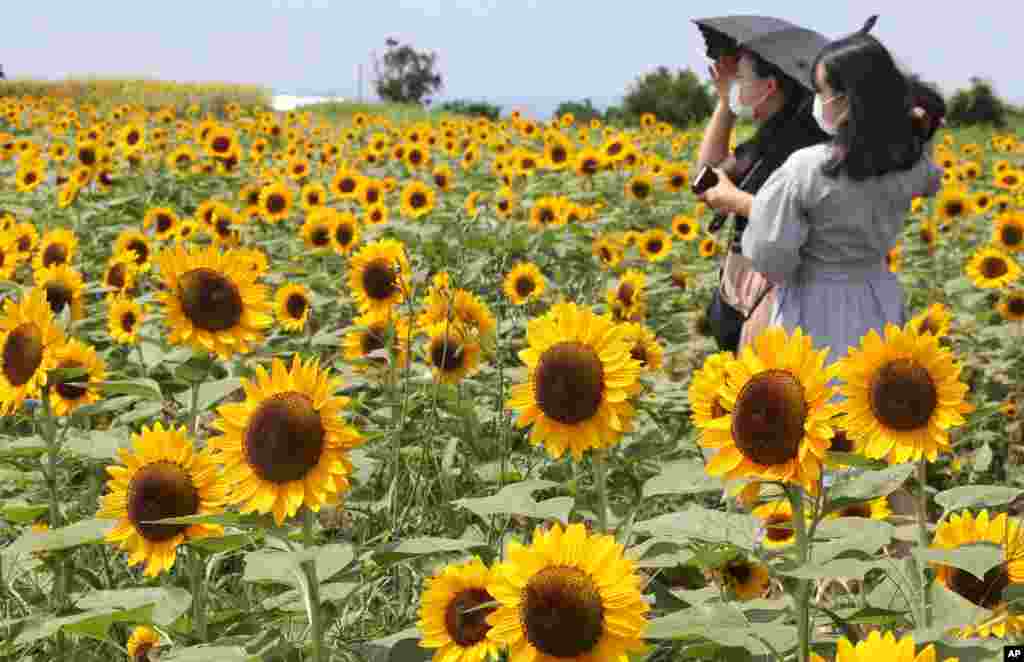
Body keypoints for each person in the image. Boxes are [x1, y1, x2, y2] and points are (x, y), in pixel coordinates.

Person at [697, 30, 944, 373]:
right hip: (877, 296)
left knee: (816, 401)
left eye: (823, 91)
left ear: (846, 100)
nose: (818, 100)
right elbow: (931, 174)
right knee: (871, 397)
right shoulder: (909, 162)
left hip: (814, 304)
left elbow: (772, 260)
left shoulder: (808, 167)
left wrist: (741, 203)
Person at [695, 47, 832, 355]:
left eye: (741, 78)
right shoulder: (776, 134)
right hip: (753, 290)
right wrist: (725, 103)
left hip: (777, 297)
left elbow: (707, 180)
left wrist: (737, 200)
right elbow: (708, 177)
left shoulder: (800, 147)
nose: (735, 85)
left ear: (769, 87)